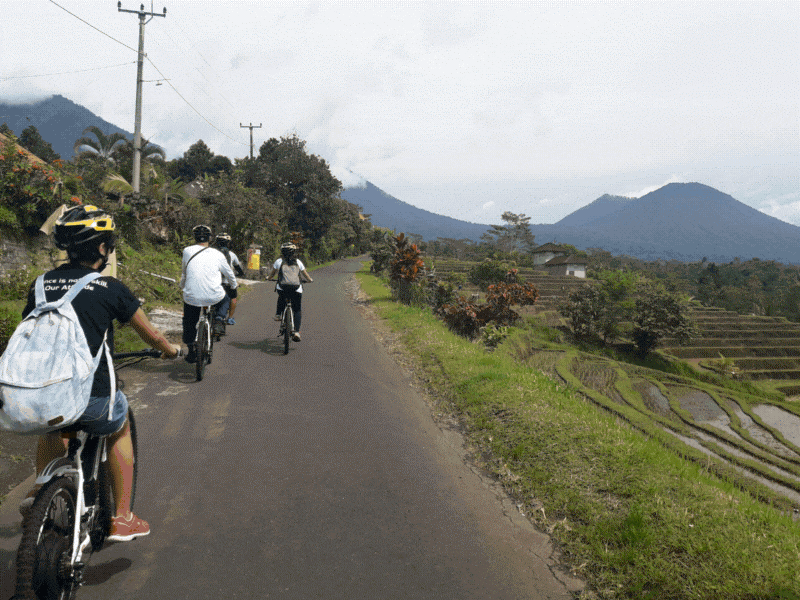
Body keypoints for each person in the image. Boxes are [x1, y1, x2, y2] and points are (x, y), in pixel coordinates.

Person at [18, 205, 181, 542]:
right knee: (119, 425)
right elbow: (152, 335)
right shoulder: (109, 287)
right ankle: (121, 517)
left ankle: (39, 490)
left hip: (41, 393)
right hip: (93, 398)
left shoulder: (40, 285)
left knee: (53, 424)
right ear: (103, 247)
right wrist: (172, 351)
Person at [180, 225, 238, 363]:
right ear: (210, 238)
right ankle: (218, 319)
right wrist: (234, 286)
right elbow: (229, 274)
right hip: (214, 295)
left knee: (189, 322)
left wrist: (182, 286)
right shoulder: (218, 254)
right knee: (225, 299)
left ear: (194, 237)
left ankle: (191, 349)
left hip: (191, 297)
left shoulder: (187, 251)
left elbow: (184, 273)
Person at [266, 242, 312, 341]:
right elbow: (305, 274)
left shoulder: (279, 261)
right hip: (296, 288)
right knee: (297, 309)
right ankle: (296, 332)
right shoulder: (298, 262)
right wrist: (309, 280)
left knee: (281, 297)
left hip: (283, 287)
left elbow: (272, 274)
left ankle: (278, 314)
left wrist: (268, 278)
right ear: (293, 252)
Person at [213, 232, 245, 326]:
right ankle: (230, 318)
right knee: (233, 298)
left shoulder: (211, 253)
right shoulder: (232, 255)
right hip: (227, 283)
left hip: (213, 282)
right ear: (228, 243)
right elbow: (238, 268)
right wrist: (240, 274)